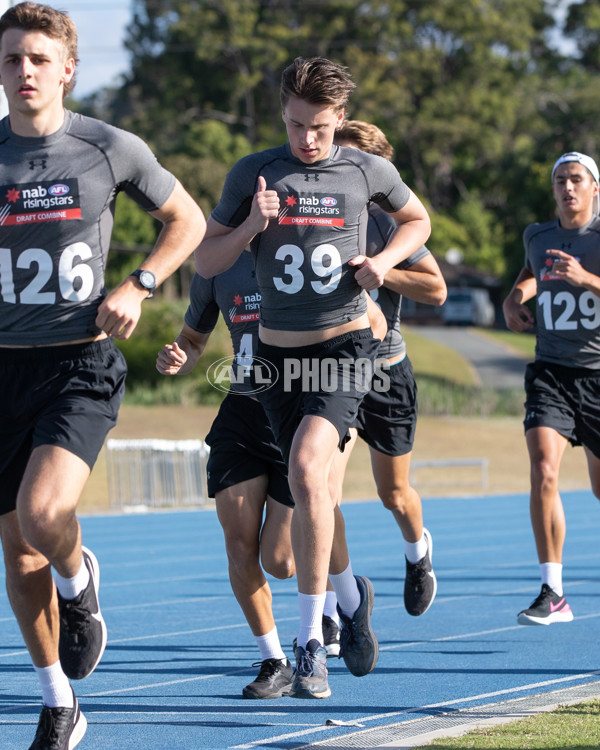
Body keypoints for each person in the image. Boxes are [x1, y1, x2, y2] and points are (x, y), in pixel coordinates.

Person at [0, 3, 206, 748]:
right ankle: (60, 703)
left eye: (37, 59)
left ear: (67, 69)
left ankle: (79, 575)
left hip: (77, 363)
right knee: (16, 552)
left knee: (42, 515)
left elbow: (188, 220)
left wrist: (141, 284)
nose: (24, 72)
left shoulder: (108, 146)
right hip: (2, 370)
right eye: (12, 60)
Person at [195, 56, 431, 698]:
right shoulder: (254, 173)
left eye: (321, 128)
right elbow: (206, 258)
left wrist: (383, 262)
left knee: (306, 468)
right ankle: (352, 598)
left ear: (341, 120)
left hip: (347, 346)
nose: (309, 140)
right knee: (302, 498)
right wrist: (251, 226)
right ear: (283, 114)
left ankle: (308, 646)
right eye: (298, 126)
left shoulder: (366, 169)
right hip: (275, 360)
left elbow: (419, 221)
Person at [156, 254, 301, 699]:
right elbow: (193, 338)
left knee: (281, 563)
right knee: (238, 543)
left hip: (298, 416)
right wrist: (178, 354)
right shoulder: (215, 265)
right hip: (240, 416)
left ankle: (340, 591)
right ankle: (275, 659)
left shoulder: (306, 245)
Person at [331, 121, 446, 617]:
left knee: (393, 494)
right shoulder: (315, 212)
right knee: (320, 489)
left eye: (355, 163)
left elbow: (436, 290)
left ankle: (417, 552)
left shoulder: (388, 223)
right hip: (330, 373)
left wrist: (382, 271)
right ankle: (333, 609)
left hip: (386, 374)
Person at [503, 150, 600, 626]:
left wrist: (586, 279)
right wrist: (514, 298)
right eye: (561, 180)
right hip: (551, 373)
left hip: (599, 376)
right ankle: (553, 591)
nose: (568, 188)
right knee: (543, 469)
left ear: (595, 188)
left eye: (577, 179)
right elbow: (531, 272)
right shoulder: (537, 236)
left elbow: (575, 276)